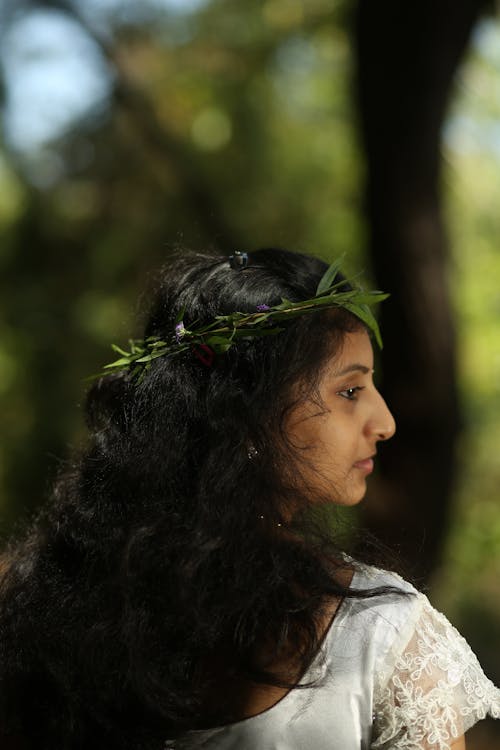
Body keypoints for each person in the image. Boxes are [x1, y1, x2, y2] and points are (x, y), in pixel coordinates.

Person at [0, 248, 498, 750]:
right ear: (249, 415)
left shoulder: (53, 604)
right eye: (349, 392)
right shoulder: (383, 637)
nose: (385, 423)